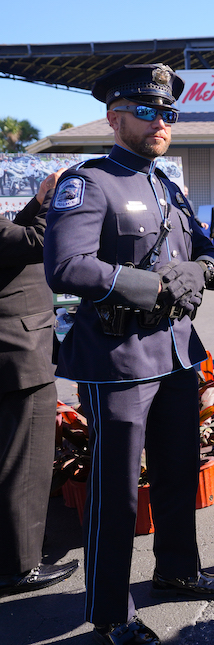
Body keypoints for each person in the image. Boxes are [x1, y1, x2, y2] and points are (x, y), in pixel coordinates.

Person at [44, 63, 214, 644]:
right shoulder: (90, 183)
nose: (160, 122)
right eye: (146, 111)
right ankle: (110, 612)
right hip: (118, 357)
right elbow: (67, 266)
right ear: (114, 117)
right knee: (117, 492)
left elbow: (210, 253)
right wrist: (153, 286)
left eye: (167, 112)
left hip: (175, 353)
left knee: (176, 473)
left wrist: (197, 272)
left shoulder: (168, 187)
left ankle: (177, 571)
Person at [0, 170, 80, 598]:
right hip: (18, 355)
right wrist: (56, 198)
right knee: (25, 465)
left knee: (14, 460)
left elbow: (12, 239)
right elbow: (36, 241)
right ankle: (19, 565)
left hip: (15, 353)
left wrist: (37, 200)